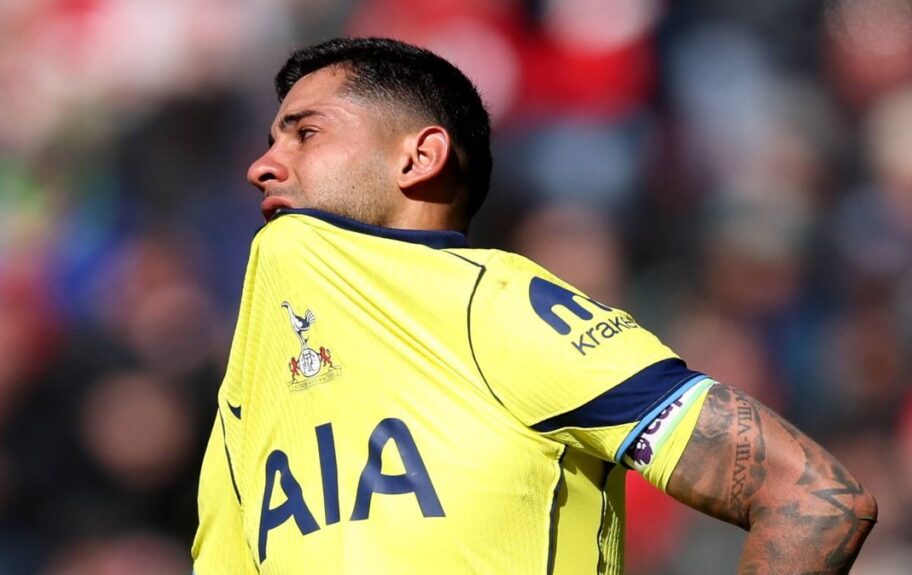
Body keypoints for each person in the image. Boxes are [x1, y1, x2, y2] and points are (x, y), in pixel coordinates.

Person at [192, 37, 876, 574]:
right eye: (272, 139)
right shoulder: (250, 384)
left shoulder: (491, 306)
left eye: (306, 133)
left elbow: (812, 497)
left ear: (419, 157)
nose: (262, 165)